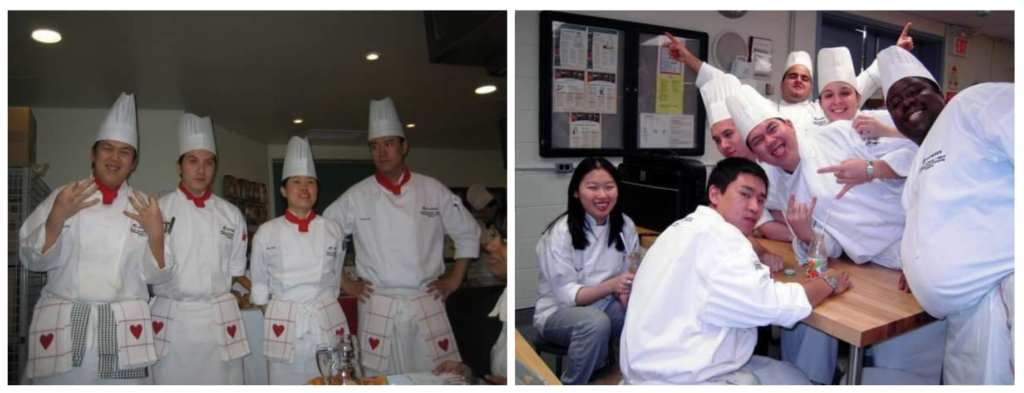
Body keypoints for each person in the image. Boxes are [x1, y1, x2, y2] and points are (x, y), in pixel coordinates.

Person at [727, 83, 945, 384]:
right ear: (758, 155)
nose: (770, 140)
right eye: (759, 141)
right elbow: (832, 247)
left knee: (908, 362)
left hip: (916, 245)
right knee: (881, 362)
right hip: (878, 267)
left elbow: (921, 151)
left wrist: (871, 169)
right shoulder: (779, 182)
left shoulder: (839, 134)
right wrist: (805, 235)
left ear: (789, 125)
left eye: (773, 128)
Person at [620, 157, 851, 385]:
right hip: (681, 378)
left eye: (761, 200)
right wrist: (828, 282)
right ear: (714, 194)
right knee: (797, 381)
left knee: (783, 371)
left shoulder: (680, 228)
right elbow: (775, 306)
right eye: (745, 194)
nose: (755, 207)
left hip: (648, 366)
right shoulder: (725, 240)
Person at [879, 45, 1014, 385]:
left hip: (1005, 299)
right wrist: (915, 263)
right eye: (895, 104)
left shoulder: (973, 105)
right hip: (962, 320)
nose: (905, 104)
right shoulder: (920, 161)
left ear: (940, 93)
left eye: (913, 91)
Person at [19, 92, 173, 384]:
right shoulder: (62, 196)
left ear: (134, 162)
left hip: (123, 327)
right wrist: (57, 217)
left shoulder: (146, 207)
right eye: (107, 148)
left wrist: (156, 235)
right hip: (64, 325)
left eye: (125, 152)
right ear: (93, 153)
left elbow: (159, 278)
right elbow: (31, 261)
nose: (115, 158)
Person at [324, 97, 480, 375]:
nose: (382, 152)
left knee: (439, 376)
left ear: (404, 146)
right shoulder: (357, 195)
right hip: (377, 302)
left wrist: (455, 279)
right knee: (380, 379)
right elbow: (324, 235)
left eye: (389, 143)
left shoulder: (432, 189)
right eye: (375, 146)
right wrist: (345, 282)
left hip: (426, 299)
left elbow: (468, 232)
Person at [149, 114, 250, 384]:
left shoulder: (231, 215)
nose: (201, 170)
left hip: (218, 320)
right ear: (178, 167)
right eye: (193, 161)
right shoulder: (158, 210)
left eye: (208, 162)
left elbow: (236, 269)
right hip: (174, 320)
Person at [250, 136, 350, 384]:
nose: (305, 188)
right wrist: (279, 314)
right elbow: (259, 284)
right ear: (283, 190)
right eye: (296, 182)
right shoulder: (267, 231)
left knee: (331, 383)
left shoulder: (333, 229)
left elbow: (336, 277)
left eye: (311, 182)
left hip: (326, 318)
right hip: (284, 321)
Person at [533, 157, 639, 385]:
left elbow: (630, 268)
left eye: (609, 187)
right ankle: (574, 384)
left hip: (604, 305)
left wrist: (627, 293)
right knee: (595, 323)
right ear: (576, 192)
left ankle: (629, 379)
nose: (602, 195)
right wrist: (612, 286)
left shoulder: (625, 225)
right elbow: (568, 296)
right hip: (557, 312)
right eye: (593, 187)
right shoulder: (560, 234)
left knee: (636, 316)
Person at [700, 73, 790, 244]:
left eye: (728, 134)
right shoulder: (733, 174)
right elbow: (766, 226)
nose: (724, 145)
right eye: (717, 140)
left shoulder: (778, 161)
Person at [433, 229, 508, 385]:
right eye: (494, 237)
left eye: (504, 241)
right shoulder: (489, 306)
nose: (490, 246)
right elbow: (488, 371)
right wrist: (469, 372)